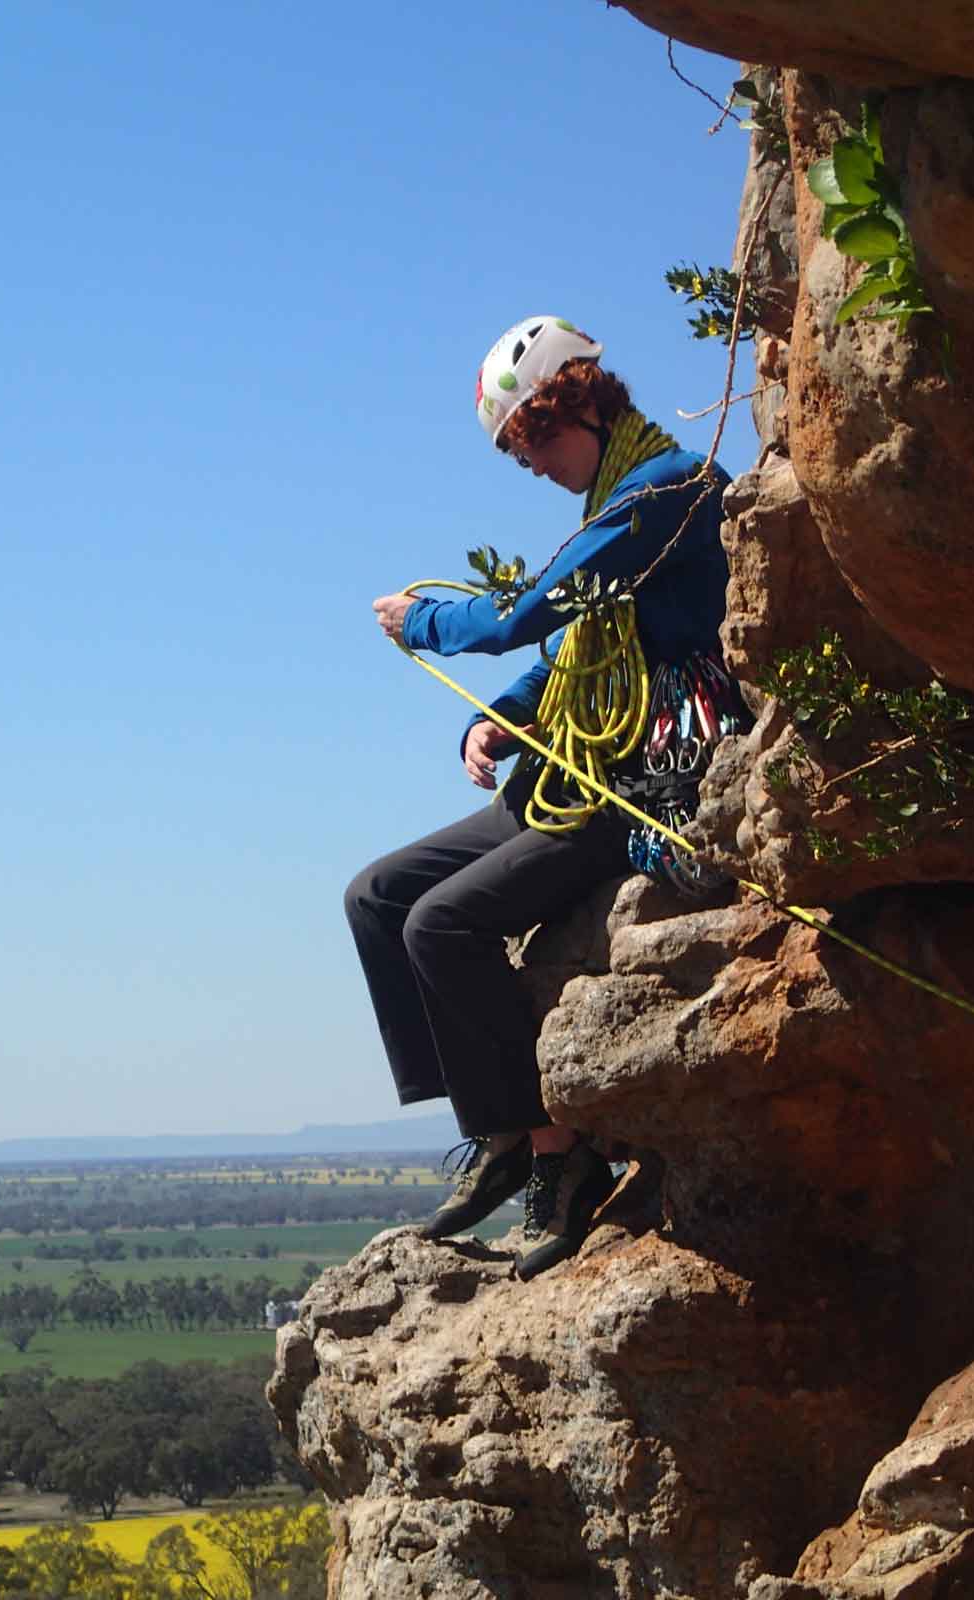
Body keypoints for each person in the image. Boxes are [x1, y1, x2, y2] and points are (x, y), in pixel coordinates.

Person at [345, 315, 733, 1281]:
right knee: (378, 897)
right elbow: (570, 646)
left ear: (583, 405)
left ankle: (559, 1157)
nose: (534, 467)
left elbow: (533, 611)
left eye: (537, 442)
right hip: (568, 767)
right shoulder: (617, 504)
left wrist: (425, 622)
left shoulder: (670, 492)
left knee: (442, 925)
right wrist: (503, 719)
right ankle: (504, 1131)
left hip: (639, 777)